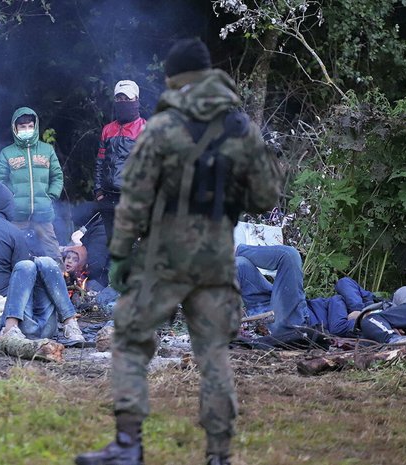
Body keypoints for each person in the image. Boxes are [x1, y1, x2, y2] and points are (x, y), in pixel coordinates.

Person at [76, 38, 281, 465]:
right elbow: (266, 197)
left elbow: (132, 196)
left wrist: (119, 256)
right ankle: (219, 454)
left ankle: (129, 445)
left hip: (163, 259)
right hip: (216, 259)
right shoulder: (241, 128)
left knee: (131, 338)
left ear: (174, 78)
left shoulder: (163, 128)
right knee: (213, 354)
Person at [0, 182, 84, 342]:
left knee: (41, 262)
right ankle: (70, 323)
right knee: (35, 264)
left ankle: (70, 321)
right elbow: (24, 276)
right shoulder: (13, 233)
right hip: (13, 316)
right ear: (8, 205)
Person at [236, 244, 376, 337]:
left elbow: (337, 328)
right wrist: (360, 309)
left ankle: (235, 248)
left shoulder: (377, 325)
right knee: (240, 265)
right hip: (271, 307)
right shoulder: (374, 305)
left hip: (294, 323)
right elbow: (344, 283)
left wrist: (360, 317)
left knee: (289, 255)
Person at [0, 107, 64, 262]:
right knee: (8, 251)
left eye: (30, 126)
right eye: (22, 127)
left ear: (35, 126)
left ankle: (62, 283)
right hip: (16, 215)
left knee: (53, 253)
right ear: (15, 128)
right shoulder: (7, 153)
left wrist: (50, 196)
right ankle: (7, 282)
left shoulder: (47, 150)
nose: (27, 129)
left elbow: (57, 176)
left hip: (43, 214)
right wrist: (11, 199)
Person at [94, 80, 147, 243]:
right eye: (119, 98)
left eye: (127, 98)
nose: (123, 102)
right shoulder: (108, 129)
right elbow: (100, 162)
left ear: (136, 100)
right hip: (108, 197)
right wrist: (98, 191)